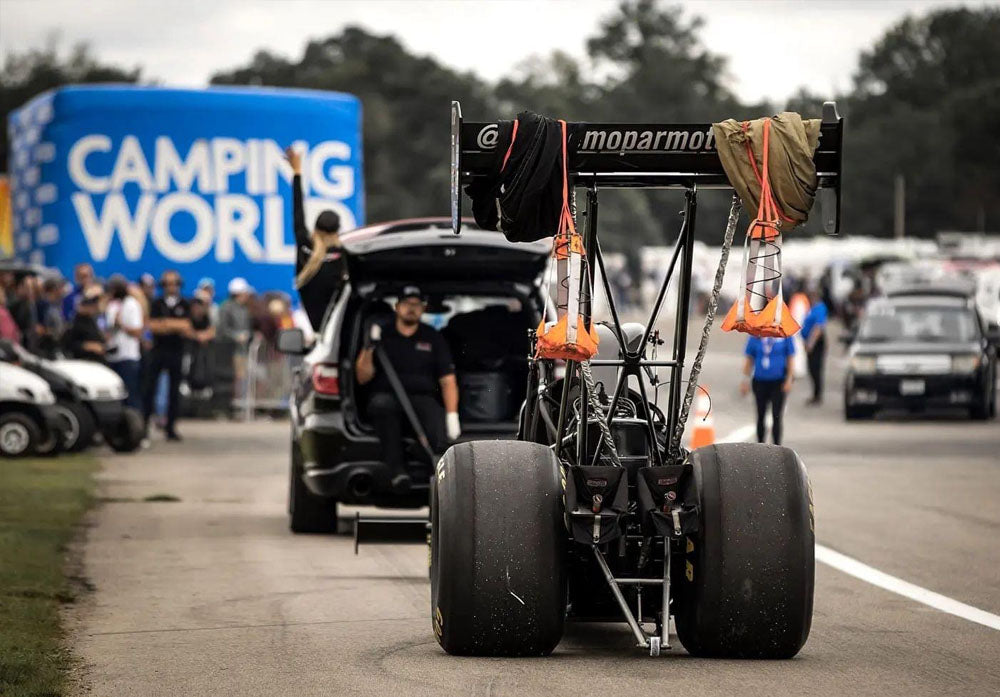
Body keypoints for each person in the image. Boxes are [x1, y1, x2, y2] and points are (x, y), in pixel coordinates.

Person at [355, 286, 461, 492]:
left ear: (423, 309)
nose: (411, 309)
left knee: (435, 427)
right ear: (397, 307)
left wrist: (452, 415)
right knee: (381, 406)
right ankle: (397, 472)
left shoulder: (433, 337)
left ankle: (434, 474)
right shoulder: (382, 335)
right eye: (406, 304)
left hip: (423, 399)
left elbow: (447, 380)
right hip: (387, 398)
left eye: (416, 305)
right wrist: (369, 346)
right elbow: (362, 377)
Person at [285, 146, 348, 331]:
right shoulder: (344, 256)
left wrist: (297, 173)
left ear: (315, 229)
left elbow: (297, 212)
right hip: (339, 332)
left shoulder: (305, 248)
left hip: (315, 331)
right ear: (337, 231)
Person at [142, 270, 192, 441]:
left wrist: (166, 324)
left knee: (174, 392)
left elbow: (186, 326)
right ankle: (144, 426)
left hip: (176, 351)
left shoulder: (185, 303)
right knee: (150, 389)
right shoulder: (156, 303)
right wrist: (171, 326)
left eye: (174, 283)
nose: (171, 287)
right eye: (167, 284)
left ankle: (170, 428)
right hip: (158, 351)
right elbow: (153, 326)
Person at [741, 334, 795, 445]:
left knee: (777, 415)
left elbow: (790, 357)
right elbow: (749, 359)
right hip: (760, 381)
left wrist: (789, 379)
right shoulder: (755, 336)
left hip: (778, 382)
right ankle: (760, 444)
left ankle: (777, 445)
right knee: (760, 414)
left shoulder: (784, 336)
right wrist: (745, 380)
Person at [105, 274, 145, 409]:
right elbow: (107, 329)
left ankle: (135, 425)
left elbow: (137, 331)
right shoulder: (111, 305)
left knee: (131, 394)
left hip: (128, 357)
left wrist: (121, 324)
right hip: (112, 355)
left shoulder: (132, 304)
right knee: (116, 395)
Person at [62, 285, 106, 362]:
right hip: (83, 363)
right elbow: (69, 345)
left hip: (97, 363)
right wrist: (88, 346)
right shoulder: (76, 322)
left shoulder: (91, 320)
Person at [800, 286, 829, 405]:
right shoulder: (812, 308)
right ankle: (815, 393)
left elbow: (818, 327)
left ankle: (818, 395)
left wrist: (810, 343)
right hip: (810, 341)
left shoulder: (820, 308)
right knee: (811, 368)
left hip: (816, 342)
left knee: (816, 368)